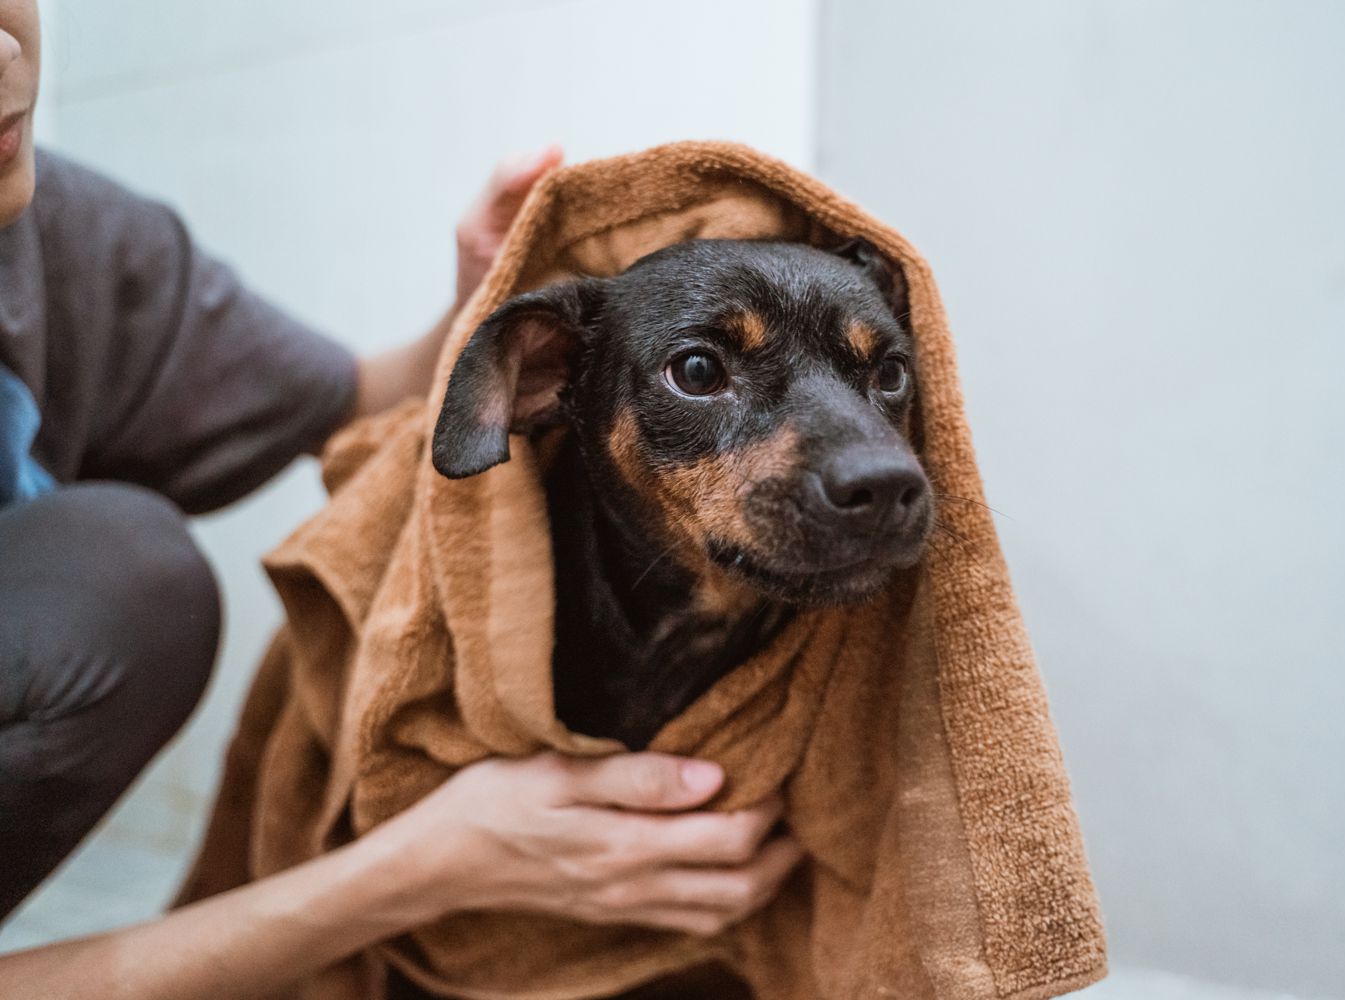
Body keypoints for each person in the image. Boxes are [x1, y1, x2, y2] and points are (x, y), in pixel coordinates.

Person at [0, 3, 802, 996]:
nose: (3, 51)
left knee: (121, 575)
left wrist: (481, 312)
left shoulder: (53, 228)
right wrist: (420, 870)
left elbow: (356, 401)